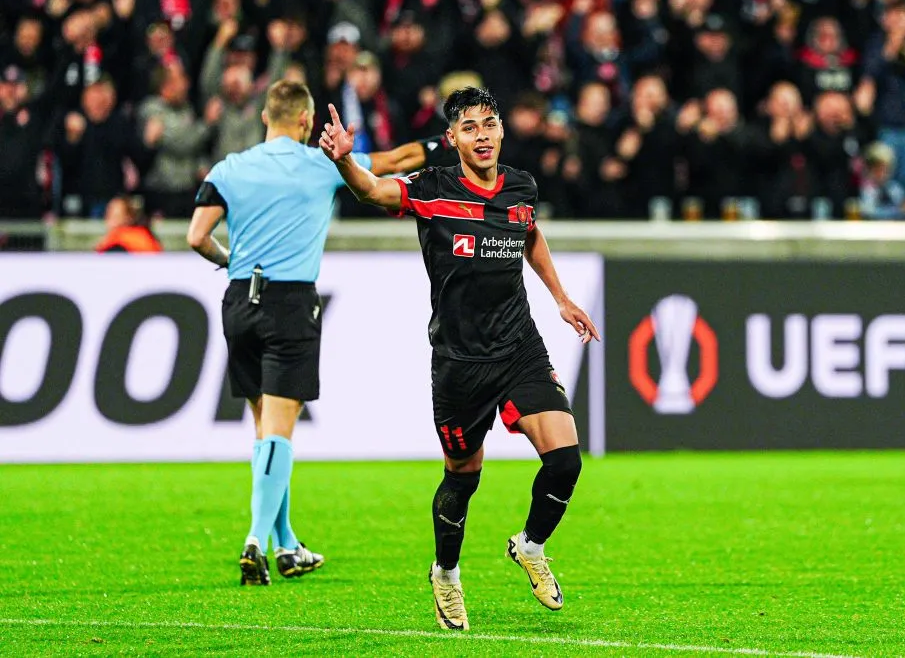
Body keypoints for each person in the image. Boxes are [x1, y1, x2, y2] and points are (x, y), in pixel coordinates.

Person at [317, 87, 600, 631]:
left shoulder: (521, 185)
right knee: (463, 477)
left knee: (565, 460)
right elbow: (375, 192)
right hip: (460, 362)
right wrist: (346, 161)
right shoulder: (433, 187)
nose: (483, 134)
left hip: (519, 347)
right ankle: (446, 574)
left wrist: (560, 298)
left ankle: (530, 545)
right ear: (452, 140)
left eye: (489, 123)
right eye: (469, 127)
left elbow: (528, 231)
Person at [185, 79, 439, 586]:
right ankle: (255, 539)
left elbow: (196, 236)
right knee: (279, 432)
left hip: (239, 300)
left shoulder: (229, 168)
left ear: (265, 117)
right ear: (305, 121)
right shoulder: (322, 164)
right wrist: (437, 146)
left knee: (265, 435)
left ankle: (286, 544)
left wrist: (232, 260)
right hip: (289, 304)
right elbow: (388, 164)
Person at [95, 196, 163, 252]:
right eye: (108, 214)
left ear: (128, 218)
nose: (108, 219)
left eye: (115, 216)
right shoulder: (144, 236)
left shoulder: (118, 244)